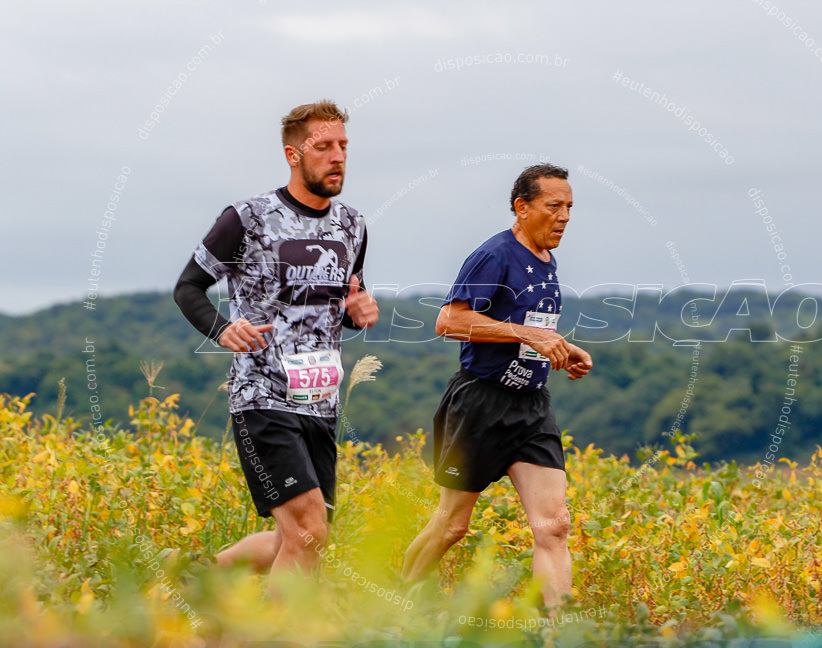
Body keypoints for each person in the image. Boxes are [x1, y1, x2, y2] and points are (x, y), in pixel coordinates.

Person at [173, 100, 378, 581]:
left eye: (343, 146)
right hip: (262, 397)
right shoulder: (247, 218)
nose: (338, 156)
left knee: (302, 537)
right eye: (323, 146)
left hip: (322, 402)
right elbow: (188, 287)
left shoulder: (353, 225)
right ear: (293, 154)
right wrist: (223, 328)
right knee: (309, 531)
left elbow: (342, 303)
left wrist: (358, 311)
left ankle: (197, 577)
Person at [401, 164, 592, 606]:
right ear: (521, 208)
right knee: (452, 525)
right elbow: (449, 321)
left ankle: (554, 634)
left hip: (531, 407)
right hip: (481, 403)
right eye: (553, 206)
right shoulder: (495, 254)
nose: (563, 216)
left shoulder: (546, 259)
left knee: (553, 525)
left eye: (568, 207)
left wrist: (562, 347)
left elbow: (529, 325)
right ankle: (396, 607)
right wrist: (528, 335)